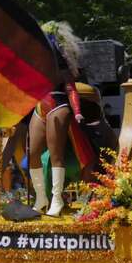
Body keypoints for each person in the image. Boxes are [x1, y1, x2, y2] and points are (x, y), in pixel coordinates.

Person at [29, 21, 86, 216]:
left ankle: (57, 198)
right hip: (40, 107)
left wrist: (77, 111)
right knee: (33, 152)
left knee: (56, 155)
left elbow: (71, 89)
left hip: (58, 106)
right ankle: (40, 197)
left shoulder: (63, 68)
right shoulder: (38, 65)